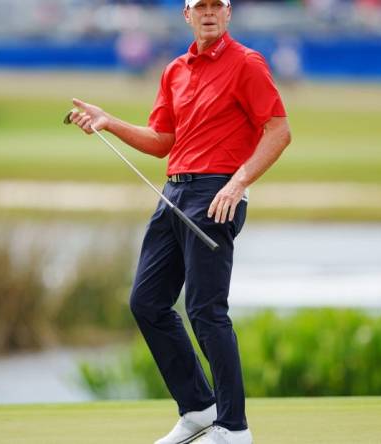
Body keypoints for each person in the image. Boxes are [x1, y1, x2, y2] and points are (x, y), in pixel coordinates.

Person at [68, 0, 291, 442]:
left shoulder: (247, 63)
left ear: (227, 14)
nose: (208, 12)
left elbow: (278, 130)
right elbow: (161, 141)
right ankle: (199, 407)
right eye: (200, 6)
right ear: (186, 16)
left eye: (217, 5)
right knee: (147, 302)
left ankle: (233, 427)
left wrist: (237, 183)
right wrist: (108, 122)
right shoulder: (175, 70)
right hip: (172, 192)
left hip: (216, 195)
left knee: (206, 311)